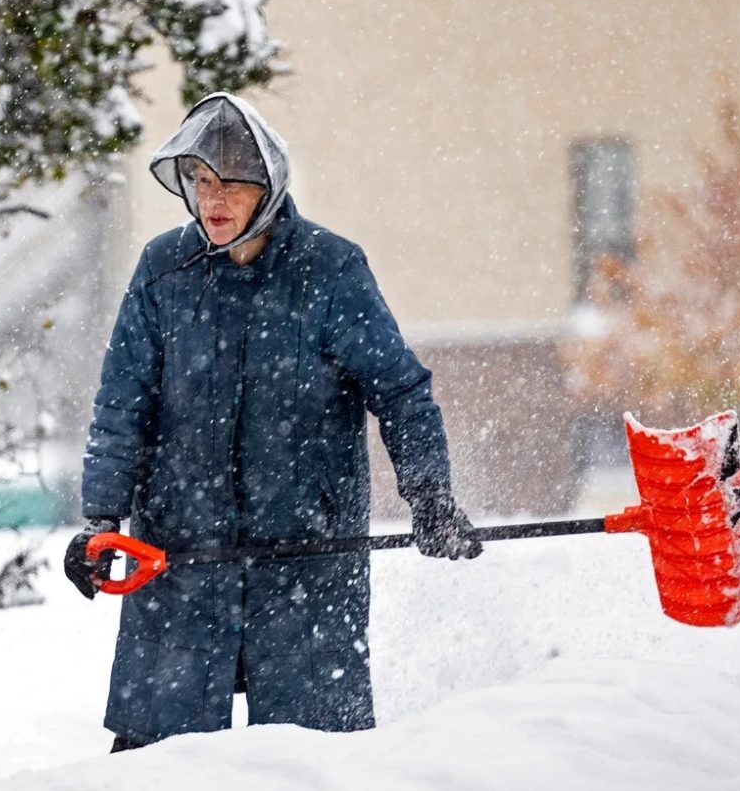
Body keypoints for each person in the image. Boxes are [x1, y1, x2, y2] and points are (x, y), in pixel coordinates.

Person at [64, 92, 482, 751]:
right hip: (182, 559)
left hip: (306, 565)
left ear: (270, 187)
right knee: (153, 766)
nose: (214, 198)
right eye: (201, 180)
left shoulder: (331, 269)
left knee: (312, 766)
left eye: (232, 181)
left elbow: (400, 390)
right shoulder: (163, 271)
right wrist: (101, 519)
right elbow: (122, 406)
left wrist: (428, 493)